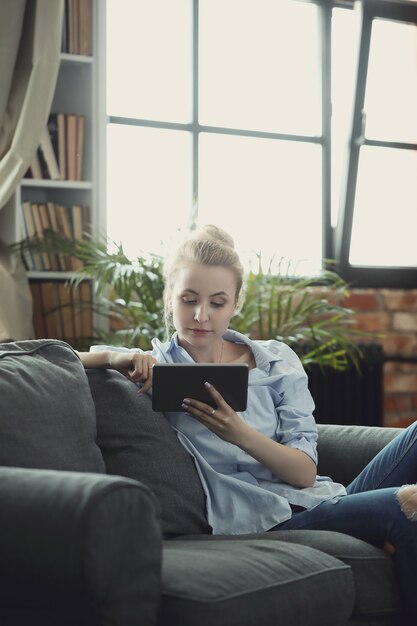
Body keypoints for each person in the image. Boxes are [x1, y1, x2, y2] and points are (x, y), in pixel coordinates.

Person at [79, 224, 417, 621]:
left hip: (317, 497)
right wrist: (114, 358)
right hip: (268, 521)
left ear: (236, 302)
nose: (201, 316)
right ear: (169, 296)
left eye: (217, 302)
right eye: (188, 300)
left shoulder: (275, 360)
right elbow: (51, 356)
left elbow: (305, 473)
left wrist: (239, 434)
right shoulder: (161, 369)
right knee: (406, 508)